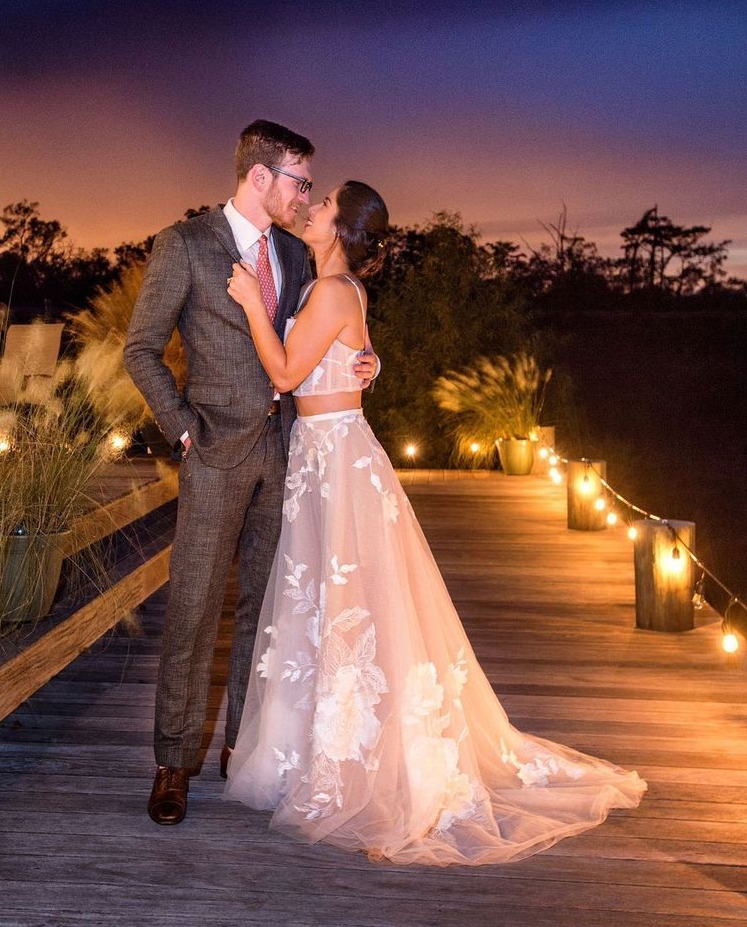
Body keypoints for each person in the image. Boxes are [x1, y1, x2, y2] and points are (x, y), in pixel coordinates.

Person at [223, 180, 646, 865]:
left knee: (353, 606)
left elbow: (284, 371)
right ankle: (321, 752)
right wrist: (370, 361)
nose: (311, 208)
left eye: (324, 205)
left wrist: (247, 306)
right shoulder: (328, 286)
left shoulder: (333, 291)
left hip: (335, 460)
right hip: (324, 456)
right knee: (335, 606)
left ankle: (366, 765)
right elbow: (341, 358)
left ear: (344, 229)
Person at [123, 123, 379, 826]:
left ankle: (246, 747)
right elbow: (140, 349)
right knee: (194, 607)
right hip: (213, 452)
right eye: (299, 181)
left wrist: (371, 362)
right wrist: (181, 426)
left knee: (267, 611)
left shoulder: (297, 253)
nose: (304, 196)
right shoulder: (184, 246)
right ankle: (174, 764)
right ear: (260, 176)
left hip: (288, 452)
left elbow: (332, 332)